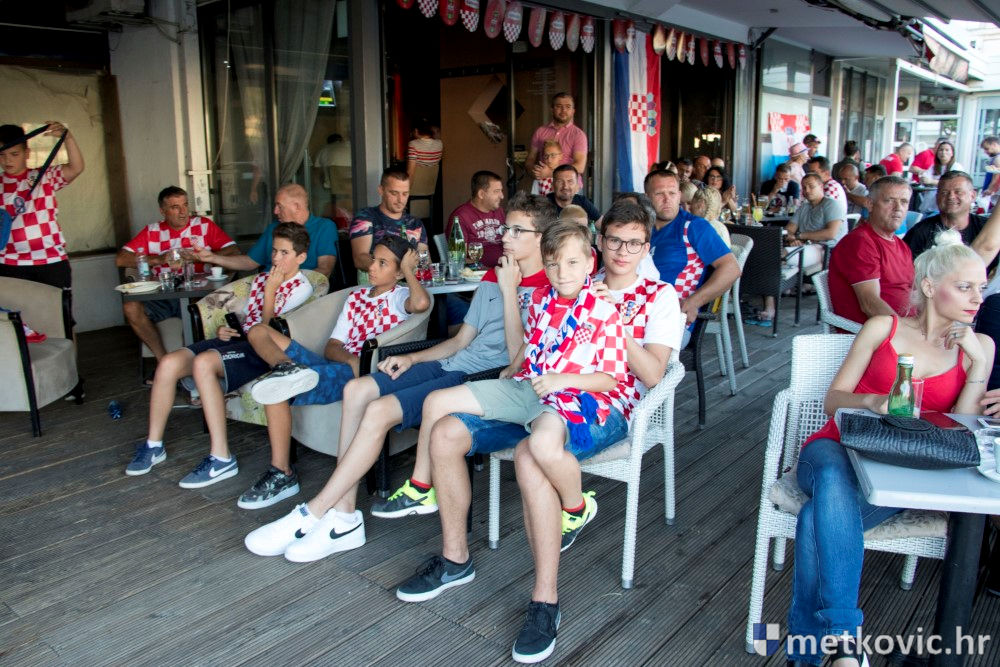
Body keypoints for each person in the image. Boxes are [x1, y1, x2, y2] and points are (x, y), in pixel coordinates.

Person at [242, 193, 554, 560]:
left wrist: (509, 291)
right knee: (357, 389)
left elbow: (519, 358)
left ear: (540, 238)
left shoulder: (547, 287)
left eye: (516, 231)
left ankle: (316, 511)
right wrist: (412, 357)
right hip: (453, 363)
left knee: (378, 410)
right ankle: (343, 516)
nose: (504, 236)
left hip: (481, 379)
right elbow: (460, 341)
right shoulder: (491, 275)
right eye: (506, 228)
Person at [398, 221, 632, 664]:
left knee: (533, 457)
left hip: (571, 399)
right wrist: (517, 363)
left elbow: (611, 376)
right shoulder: (541, 299)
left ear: (590, 263)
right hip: (529, 388)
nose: (562, 272)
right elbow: (528, 348)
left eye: (573, 263)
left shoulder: (602, 308)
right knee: (443, 420)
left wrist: (559, 378)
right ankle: (452, 555)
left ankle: (546, 598)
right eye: (554, 264)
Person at [786, 230, 992, 667]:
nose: (978, 297)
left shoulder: (979, 347)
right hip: (836, 446)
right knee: (833, 478)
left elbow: (963, 428)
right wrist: (872, 402)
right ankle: (844, 640)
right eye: (965, 286)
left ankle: (806, 655)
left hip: (900, 470)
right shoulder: (884, 327)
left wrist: (978, 364)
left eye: (982, 286)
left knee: (815, 519)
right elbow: (833, 400)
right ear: (930, 287)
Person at [231, 236, 429, 509]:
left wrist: (408, 270)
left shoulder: (400, 297)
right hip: (340, 365)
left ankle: (281, 472)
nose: (372, 266)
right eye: (373, 259)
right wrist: (351, 360)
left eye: (382, 263)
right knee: (259, 331)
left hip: (356, 377)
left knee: (276, 388)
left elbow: (421, 304)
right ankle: (287, 368)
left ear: (398, 272)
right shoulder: (356, 297)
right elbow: (332, 347)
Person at [124, 223, 314, 482]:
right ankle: (153, 445)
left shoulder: (301, 287)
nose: (276, 258)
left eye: (284, 253)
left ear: (301, 257)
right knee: (168, 363)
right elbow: (247, 318)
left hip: (261, 350)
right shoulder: (261, 279)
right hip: (238, 341)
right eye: (274, 251)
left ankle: (221, 457)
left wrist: (271, 290)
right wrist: (226, 329)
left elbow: (266, 331)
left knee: (203, 363)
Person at [117, 186, 241, 362]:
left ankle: (193, 360)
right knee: (130, 307)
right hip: (163, 296)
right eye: (175, 207)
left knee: (196, 307)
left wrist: (200, 257)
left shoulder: (203, 225)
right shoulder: (152, 231)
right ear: (163, 211)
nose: (183, 212)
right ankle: (163, 361)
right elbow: (121, 259)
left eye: (185, 205)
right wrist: (159, 259)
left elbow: (234, 251)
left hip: (198, 294)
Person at [643, 169, 740, 344]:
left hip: (671, 323)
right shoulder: (643, 229)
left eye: (672, 193)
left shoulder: (693, 227)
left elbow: (731, 269)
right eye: (659, 194)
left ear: (679, 195)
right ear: (647, 197)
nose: (667, 199)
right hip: (638, 314)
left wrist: (694, 301)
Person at [751, 174, 845, 327]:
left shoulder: (831, 205)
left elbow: (830, 233)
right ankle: (772, 302)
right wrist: (793, 239)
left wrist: (800, 236)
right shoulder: (804, 207)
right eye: (804, 187)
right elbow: (789, 230)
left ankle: (783, 282)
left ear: (821, 187)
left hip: (826, 251)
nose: (807, 190)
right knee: (769, 257)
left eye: (811, 186)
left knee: (774, 258)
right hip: (804, 248)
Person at [0, 122, 84, 293]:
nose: (7, 160)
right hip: (9, 263)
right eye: (1, 154)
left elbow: (76, 168)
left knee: (56, 310)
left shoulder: (44, 176)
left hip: (51, 261)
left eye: (14, 154)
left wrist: (68, 138)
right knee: (14, 311)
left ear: (27, 153)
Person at [194, 183, 338, 278]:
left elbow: (324, 270)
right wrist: (212, 258)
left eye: (279, 206)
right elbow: (250, 262)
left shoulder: (324, 227)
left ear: (296, 206)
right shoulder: (274, 228)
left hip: (299, 292)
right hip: (264, 286)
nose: (275, 211)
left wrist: (287, 285)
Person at [828, 176, 913, 325]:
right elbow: (870, 303)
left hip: (908, 325)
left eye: (904, 202)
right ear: (870, 204)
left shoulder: (901, 245)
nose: (898, 207)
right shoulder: (860, 242)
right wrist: (907, 331)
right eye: (889, 200)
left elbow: (913, 289)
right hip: (875, 333)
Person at [904, 171, 994, 272]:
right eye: (944, 192)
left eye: (958, 192)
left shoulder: (987, 228)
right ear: (937, 197)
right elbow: (906, 272)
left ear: (972, 196)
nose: (951, 196)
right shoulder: (920, 232)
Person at [349, 167, 429, 274]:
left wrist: (422, 269)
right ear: (381, 190)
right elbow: (360, 258)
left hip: (410, 281)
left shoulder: (415, 223)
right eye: (394, 193)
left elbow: (424, 262)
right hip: (376, 282)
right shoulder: (366, 217)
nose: (400, 200)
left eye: (405, 194)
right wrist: (395, 271)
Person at [447, 170, 506, 268]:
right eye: (496, 191)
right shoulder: (460, 217)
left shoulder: (499, 211)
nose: (502, 196)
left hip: (507, 268)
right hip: (480, 272)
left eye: (501, 190)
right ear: (481, 194)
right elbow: (458, 258)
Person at [524, 93, 587, 183]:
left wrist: (550, 173)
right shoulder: (540, 131)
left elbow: (580, 167)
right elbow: (530, 158)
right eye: (559, 106)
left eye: (568, 107)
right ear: (552, 110)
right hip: (543, 185)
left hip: (569, 187)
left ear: (573, 111)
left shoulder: (579, 135)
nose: (563, 110)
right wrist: (534, 172)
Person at [916, 140, 962, 214]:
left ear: (952, 153)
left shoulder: (956, 167)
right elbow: (926, 177)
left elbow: (951, 183)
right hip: (929, 203)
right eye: (941, 150)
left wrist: (931, 181)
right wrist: (923, 180)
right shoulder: (933, 166)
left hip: (945, 204)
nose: (943, 152)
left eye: (947, 150)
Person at [980, 136, 1000, 211]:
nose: (985, 152)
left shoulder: (998, 159)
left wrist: (989, 189)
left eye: (987, 148)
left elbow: (996, 177)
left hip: (994, 195)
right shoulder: (996, 158)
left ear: (994, 144)